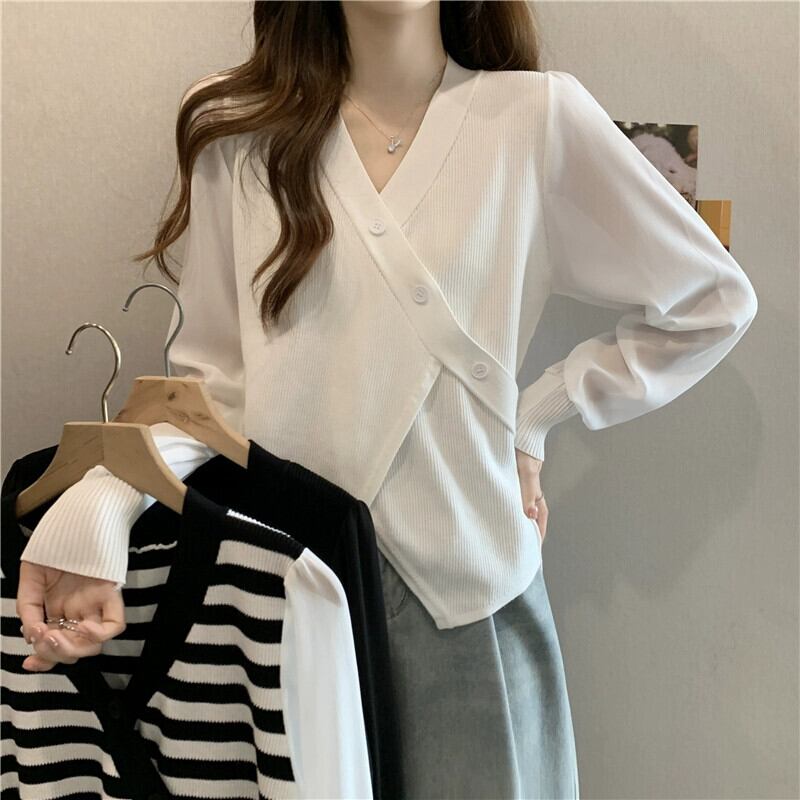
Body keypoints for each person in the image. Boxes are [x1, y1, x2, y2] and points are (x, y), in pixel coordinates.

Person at [14, 2, 758, 798]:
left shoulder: (535, 117)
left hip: (470, 603)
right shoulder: (240, 132)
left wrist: (535, 418)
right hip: (289, 601)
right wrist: (100, 503)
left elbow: (710, 300)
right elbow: (206, 392)